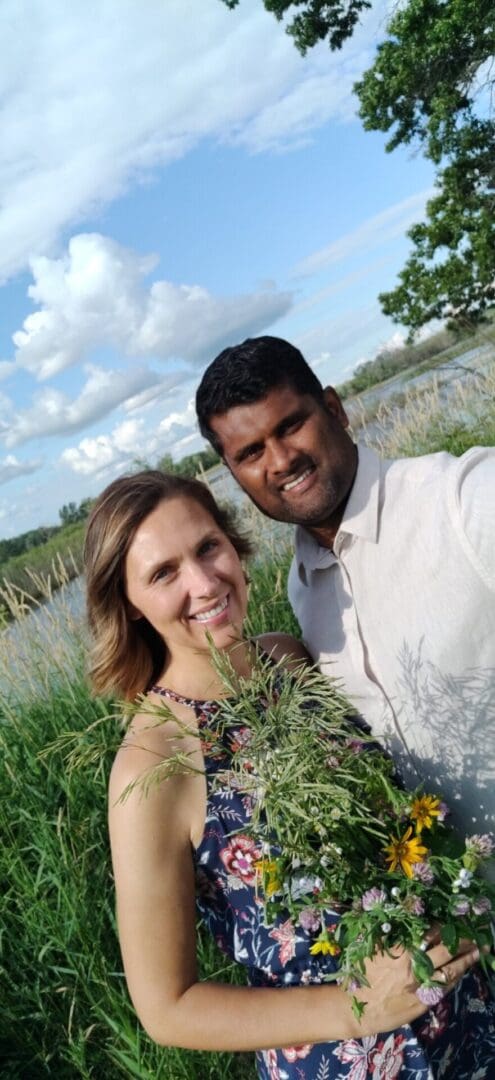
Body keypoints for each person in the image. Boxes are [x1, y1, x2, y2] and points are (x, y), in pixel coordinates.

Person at [84, 469, 494, 1079]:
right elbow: (167, 1008)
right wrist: (362, 1007)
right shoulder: (154, 764)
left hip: (466, 1010)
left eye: (207, 547)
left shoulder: (287, 658)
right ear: (130, 606)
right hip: (347, 1061)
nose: (202, 582)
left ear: (234, 545)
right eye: (163, 574)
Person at [195, 336, 495, 840]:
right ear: (235, 474)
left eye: (291, 426)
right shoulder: (303, 586)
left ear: (334, 409)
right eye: (250, 452)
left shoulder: (463, 500)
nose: (281, 460)